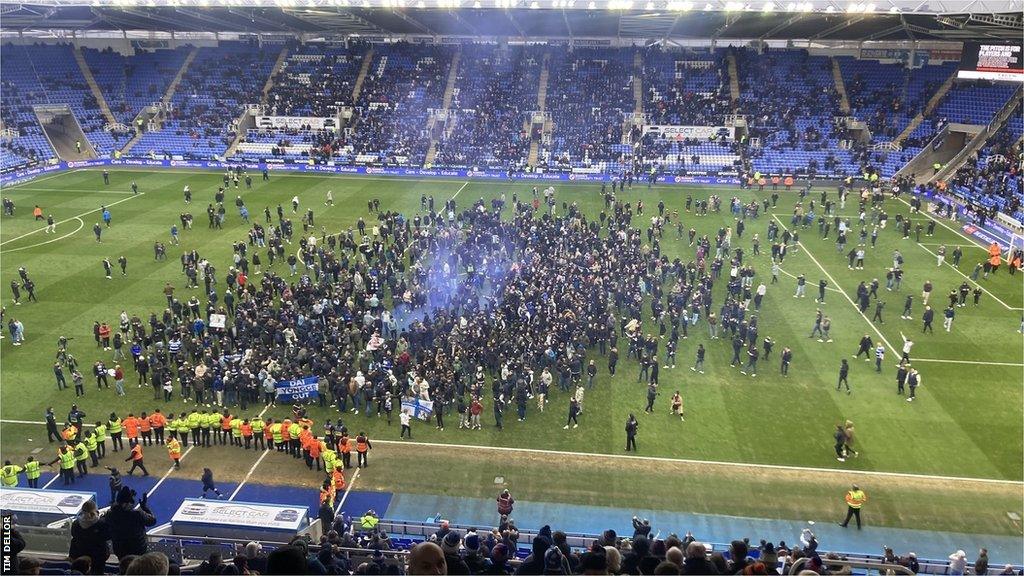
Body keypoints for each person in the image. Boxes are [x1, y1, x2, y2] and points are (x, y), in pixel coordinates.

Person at [104, 486, 156, 559]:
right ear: (126, 503)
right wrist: (145, 508)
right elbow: (152, 521)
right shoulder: (137, 514)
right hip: (139, 551)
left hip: (120, 552)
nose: (132, 505)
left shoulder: (110, 515)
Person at [70, 499, 111, 575]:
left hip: (80, 555)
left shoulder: (76, 523)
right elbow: (108, 536)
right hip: (98, 557)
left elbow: (74, 536)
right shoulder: (101, 523)